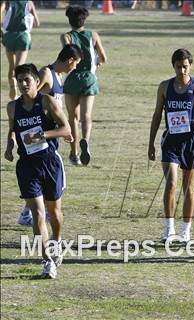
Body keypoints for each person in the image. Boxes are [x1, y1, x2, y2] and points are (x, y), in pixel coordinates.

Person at [4, 64, 73, 279]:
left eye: (27, 80)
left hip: (49, 162)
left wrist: (41, 135)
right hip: (27, 165)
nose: (23, 84)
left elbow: (66, 129)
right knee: (38, 214)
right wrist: (9, 146)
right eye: (20, 80)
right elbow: (13, 130)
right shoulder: (12, 107)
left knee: (54, 214)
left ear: (36, 81)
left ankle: (57, 241)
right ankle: (47, 261)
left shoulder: (46, 102)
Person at [17, 44, 83, 227]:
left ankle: (28, 212)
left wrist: (62, 131)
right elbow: (31, 97)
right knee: (42, 175)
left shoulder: (59, 77)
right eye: (76, 63)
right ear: (70, 60)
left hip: (50, 133)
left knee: (43, 175)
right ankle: (30, 213)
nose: (75, 67)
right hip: (37, 134)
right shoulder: (46, 73)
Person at [148, 48, 194, 243]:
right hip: (171, 142)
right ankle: (169, 229)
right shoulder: (164, 87)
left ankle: (186, 230)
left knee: (188, 187)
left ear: (191, 66)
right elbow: (157, 115)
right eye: (178, 67)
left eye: (185, 67)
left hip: (191, 142)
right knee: (171, 183)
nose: (182, 71)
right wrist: (151, 143)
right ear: (173, 66)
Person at [61, 5, 107, 166]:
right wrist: (97, 63)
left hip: (73, 78)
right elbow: (103, 58)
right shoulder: (93, 35)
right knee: (86, 116)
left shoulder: (66, 36)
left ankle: (74, 153)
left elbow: (67, 55)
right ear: (84, 19)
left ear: (69, 20)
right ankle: (85, 140)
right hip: (89, 78)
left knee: (72, 117)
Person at [1, 0, 40, 100]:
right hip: (23, 36)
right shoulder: (29, 2)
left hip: (9, 35)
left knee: (11, 65)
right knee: (19, 66)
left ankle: (13, 88)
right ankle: (21, 93)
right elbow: (37, 23)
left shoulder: (7, 2)